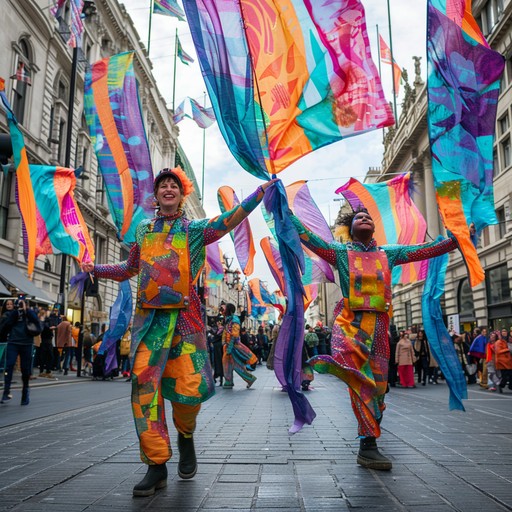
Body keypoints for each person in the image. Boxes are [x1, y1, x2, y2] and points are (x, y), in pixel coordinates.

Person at [82, 167, 275, 496]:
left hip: (186, 324)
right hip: (150, 325)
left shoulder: (196, 230)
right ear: (156, 196)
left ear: (181, 194)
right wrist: (95, 269)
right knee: (144, 394)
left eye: (174, 185)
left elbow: (229, 219)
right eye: (162, 186)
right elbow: (129, 268)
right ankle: (156, 465)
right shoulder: (143, 230)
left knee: (187, 393)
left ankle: (186, 435)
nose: (168, 189)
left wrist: (261, 193)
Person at [290, 207, 458, 470]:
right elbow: (308, 237)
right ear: (351, 227)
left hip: (380, 327)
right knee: (361, 381)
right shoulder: (340, 252)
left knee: (379, 389)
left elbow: (424, 250)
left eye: (368, 216)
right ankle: (368, 445)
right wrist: (285, 211)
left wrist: (456, 240)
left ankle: (367, 441)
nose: (365, 218)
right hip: (350, 326)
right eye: (359, 217)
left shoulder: (389, 253)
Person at [0, 299, 41, 405]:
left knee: (25, 370)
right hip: (13, 343)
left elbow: (37, 324)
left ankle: (25, 392)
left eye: (23, 304)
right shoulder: (13, 314)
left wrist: (27, 311)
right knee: (9, 366)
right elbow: (6, 326)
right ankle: (6, 391)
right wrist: (15, 313)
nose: (21, 306)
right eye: (19, 304)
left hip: (27, 344)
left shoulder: (30, 313)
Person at [221, 303, 258, 389]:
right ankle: (228, 381)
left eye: (224, 309)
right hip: (228, 346)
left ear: (228, 310)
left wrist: (230, 347)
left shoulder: (234, 319)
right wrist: (224, 342)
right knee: (227, 364)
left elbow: (235, 335)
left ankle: (249, 379)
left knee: (236, 365)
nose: (222, 311)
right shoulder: (228, 320)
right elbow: (225, 332)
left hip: (234, 347)